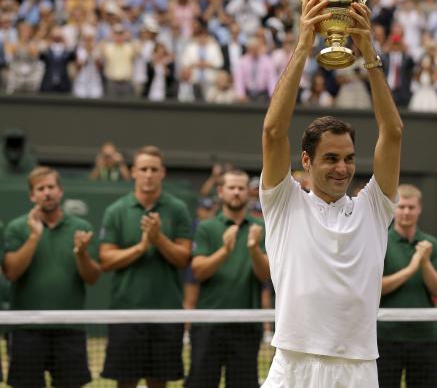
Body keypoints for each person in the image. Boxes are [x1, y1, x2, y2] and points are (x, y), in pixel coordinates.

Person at [259, 0, 403, 387]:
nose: (343, 168)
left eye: (349, 158)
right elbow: (273, 132)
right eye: (330, 159)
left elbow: (392, 133)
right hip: (293, 364)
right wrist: (304, 44)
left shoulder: (373, 208)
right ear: (306, 161)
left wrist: (368, 50)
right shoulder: (284, 202)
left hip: (357, 368)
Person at [99, 145, 193, 388]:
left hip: (166, 313)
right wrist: (141, 247)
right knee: (125, 382)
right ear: (133, 172)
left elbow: (183, 259)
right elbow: (106, 260)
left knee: (158, 383)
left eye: (154, 169)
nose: (148, 174)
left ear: (163, 172)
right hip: (125, 313)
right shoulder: (116, 211)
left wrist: (158, 239)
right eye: (143, 169)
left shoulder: (178, 209)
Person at [2, 166, 101, 388]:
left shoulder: (81, 227)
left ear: (60, 191)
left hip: (69, 329)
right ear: (32, 195)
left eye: (51, 187)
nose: (47, 192)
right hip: (26, 330)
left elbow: (93, 277)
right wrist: (34, 237)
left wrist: (82, 253)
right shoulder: (18, 228)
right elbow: (11, 272)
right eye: (41, 188)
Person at [186, 169, 270, 388]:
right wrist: (225, 250)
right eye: (231, 188)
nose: (236, 193)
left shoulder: (259, 228)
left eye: (241, 188)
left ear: (248, 193)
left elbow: (265, 275)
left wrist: (253, 249)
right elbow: (198, 271)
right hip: (208, 325)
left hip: (246, 326)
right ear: (220, 192)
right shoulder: (206, 227)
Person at [377, 184, 437, 387]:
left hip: (425, 336)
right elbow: (374, 288)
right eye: (401, 206)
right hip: (386, 337)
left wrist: (424, 263)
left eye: (411, 207)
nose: (406, 212)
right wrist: (410, 269)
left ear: (420, 209)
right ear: (394, 208)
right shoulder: (381, 240)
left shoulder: (430, 243)